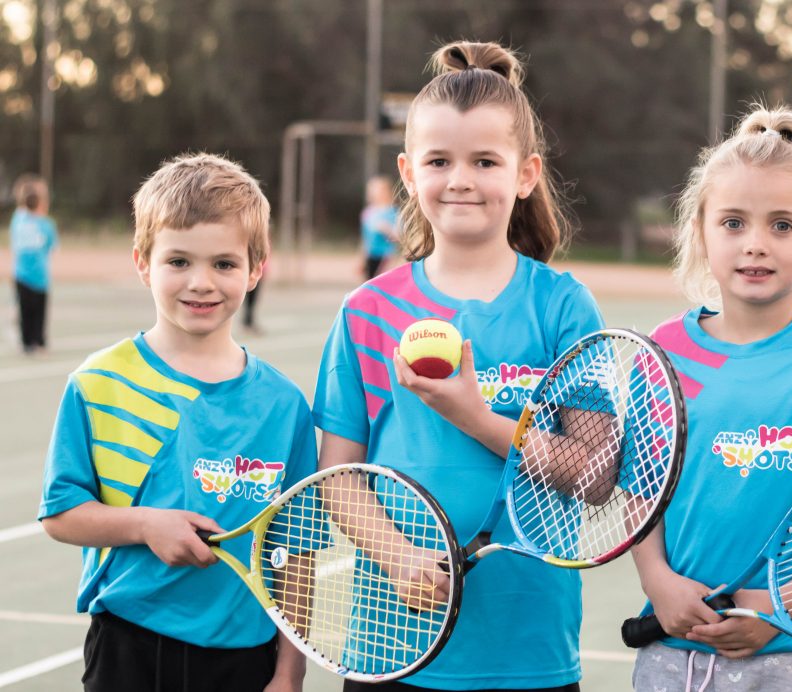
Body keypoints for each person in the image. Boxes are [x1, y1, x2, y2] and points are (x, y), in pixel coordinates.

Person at [314, 41, 604, 692]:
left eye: (485, 161)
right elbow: (338, 475)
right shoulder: (366, 310)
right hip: (393, 648)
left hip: (528, 651)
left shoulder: (561, 306)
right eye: (439, 160)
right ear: (408, 172)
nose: (461, 179)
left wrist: (477, 418)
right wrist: (398, 558)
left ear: (526, 174)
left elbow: (595, 475)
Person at [629, 106, 792, 692]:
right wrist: (657, 583)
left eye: (782, 226)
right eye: (733, 223)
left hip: (791, 654)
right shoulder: (665, 350)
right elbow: (642, 492)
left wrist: (782, 605)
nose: (756, 245)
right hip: (672, 649)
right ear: (701, 233)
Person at [37, 153, 315, 692]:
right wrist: (145, 524)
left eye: (224, 264)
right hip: (129, 645)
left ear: (257, 269)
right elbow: (62, 513)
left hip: (246, 655)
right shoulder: (99, 383)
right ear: (143, 263)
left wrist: (289, 670)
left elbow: (298, 551)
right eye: (179, 261)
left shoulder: (284, 406)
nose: (201, 283)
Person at [9, 173, 58, 354]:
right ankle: (33, 341)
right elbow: (51, 247)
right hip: (31, 275)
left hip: (30, 276)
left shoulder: (22, 220)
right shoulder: (36, 222)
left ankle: (32, 341)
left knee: (32, 311)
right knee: (32, 312)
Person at [361, 174, 400, 281]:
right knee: (369, 285)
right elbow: (365, 240)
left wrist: (387, 229)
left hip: (387, 256)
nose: (377, 193)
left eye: (381, 190)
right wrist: (361, 260)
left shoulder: (395, 212)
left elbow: (400, 237)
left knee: (382, 284)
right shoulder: (368, 213)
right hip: (371, 256)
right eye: (374, 190)